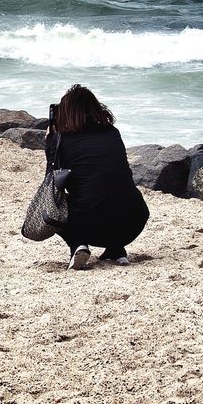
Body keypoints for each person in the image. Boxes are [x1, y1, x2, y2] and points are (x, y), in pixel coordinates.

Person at [45, 85, 149, 270]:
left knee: (56, 205)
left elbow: (52, 185)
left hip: (91, 225)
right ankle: (116, 250)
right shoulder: (112, 133)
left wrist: (50, 143)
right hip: (134, 221)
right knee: (113, 190)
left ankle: (78, 244)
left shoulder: (63, 141)